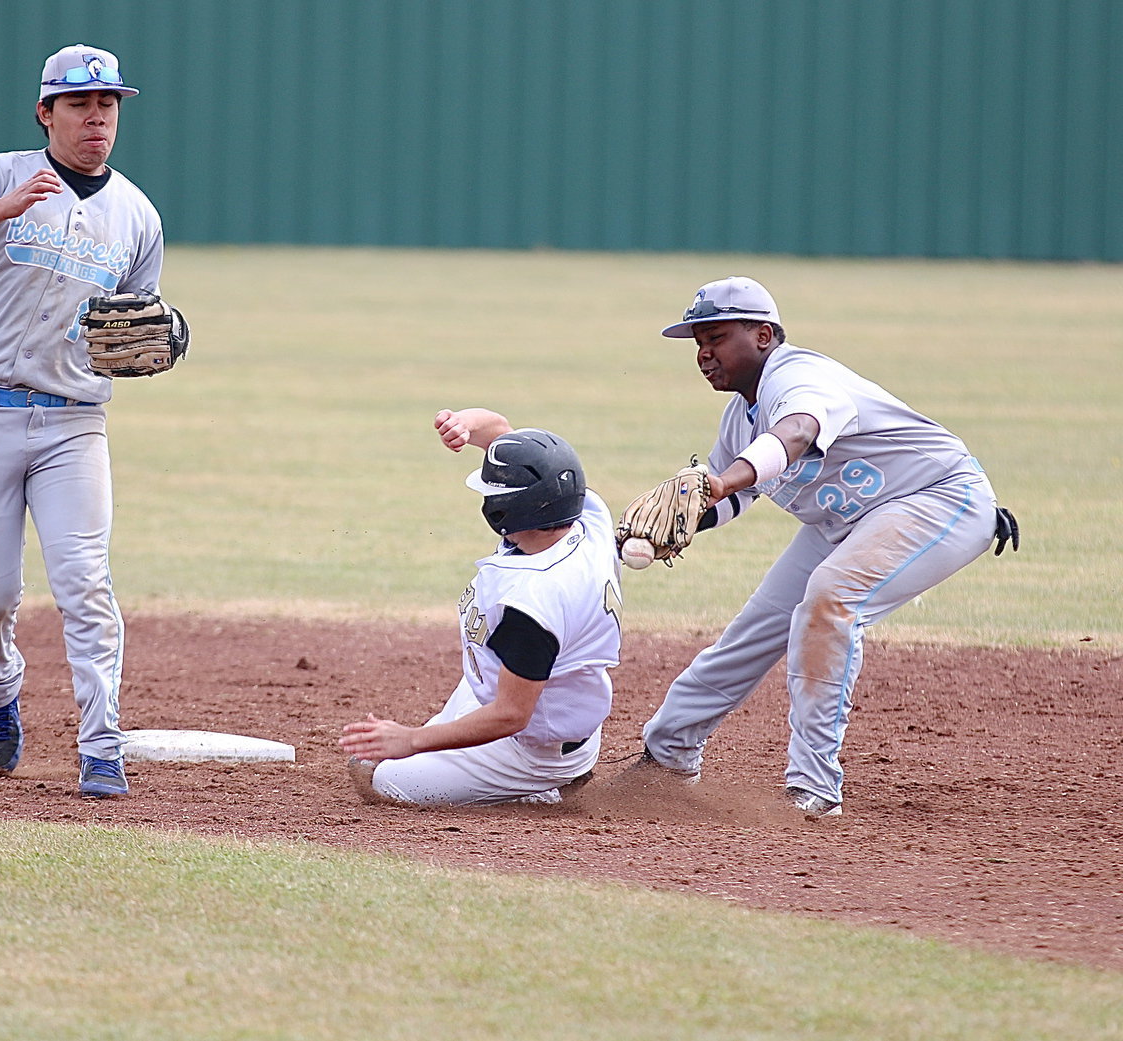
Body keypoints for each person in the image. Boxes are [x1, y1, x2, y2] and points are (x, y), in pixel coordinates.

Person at [625, 276, 1018, 818]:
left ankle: (814, 788)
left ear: (763, 335)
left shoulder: (801, 377)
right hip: (850, 521)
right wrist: (668, 522)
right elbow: (734, 495)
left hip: (936, 498)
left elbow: (795, 435)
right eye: (698, 342)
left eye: (715, 337)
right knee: (757, 627)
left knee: (830, 600)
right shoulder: (741, 416)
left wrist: (718, 484)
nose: (703, 353)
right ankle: (667, 756)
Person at [0, 44, 167, 797]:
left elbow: (132, 334)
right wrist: (0, 211)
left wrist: (161, 339)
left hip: (73, 425)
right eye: (80, 104)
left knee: (85, 584)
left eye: (108, 106)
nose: (97, 118)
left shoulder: (137, 214)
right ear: (46, 112)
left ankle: (102, 746)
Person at [339, 408, 623, 806]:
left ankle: (538, 790)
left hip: (532, 745)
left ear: (507, 510)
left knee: (380, 778)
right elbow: (503, 435)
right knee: (381, 757)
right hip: (542, 694)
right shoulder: (586, 515)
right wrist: (466, 425)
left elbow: (511, 714)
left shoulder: (533, 602)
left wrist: (412, 739)